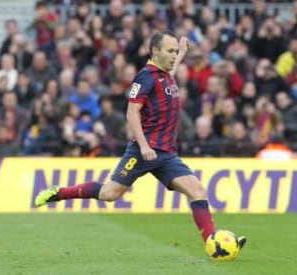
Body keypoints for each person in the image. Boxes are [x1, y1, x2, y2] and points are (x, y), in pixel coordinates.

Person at [34, 31, 246, 251]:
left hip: (166, 154)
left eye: (175, 51)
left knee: (198, 191)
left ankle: (214, 245)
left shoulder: (165, 75)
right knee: (109, 194)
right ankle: (59, 193)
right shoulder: (146, 77)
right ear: (155, 51)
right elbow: (132, 112)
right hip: (143, 151)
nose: (174, 56)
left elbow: (170, 73)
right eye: (170, 51)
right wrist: (144, 146)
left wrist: (182, 53)